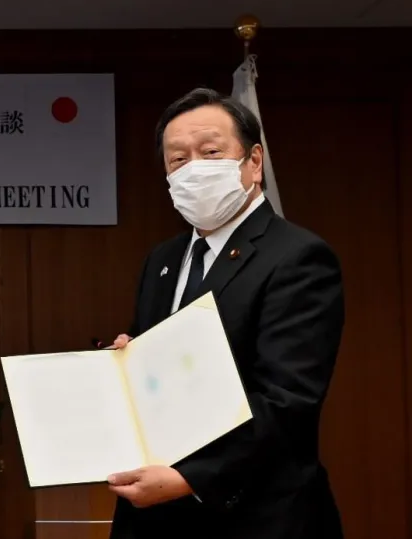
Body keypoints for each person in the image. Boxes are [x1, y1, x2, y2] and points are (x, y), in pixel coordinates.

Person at [105, 88, 344, 539]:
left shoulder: (298, 257)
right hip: (156, 518)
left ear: (254, 163)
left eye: (210, 152)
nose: (193, 168)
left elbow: (287, 400)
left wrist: (190, 478)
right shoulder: (163, 259)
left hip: (255, 515)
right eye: (178, 160)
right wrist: (128, 361)